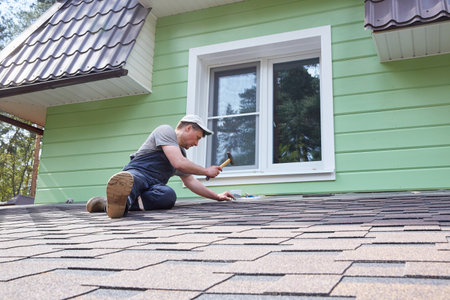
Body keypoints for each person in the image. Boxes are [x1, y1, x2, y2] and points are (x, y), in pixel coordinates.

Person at [86, 114, 235, 218]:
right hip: (138, 174)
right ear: (188, 128)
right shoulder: (165, 131)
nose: (196, 144)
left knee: (168, 196)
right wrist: (205, 170)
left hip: (153, 187)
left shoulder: (181, 154)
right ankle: (117, 200)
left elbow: (190, 181)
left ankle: (110, 204)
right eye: (197, 138)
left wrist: (217, 196)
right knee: (132, 180)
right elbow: (178, 163)